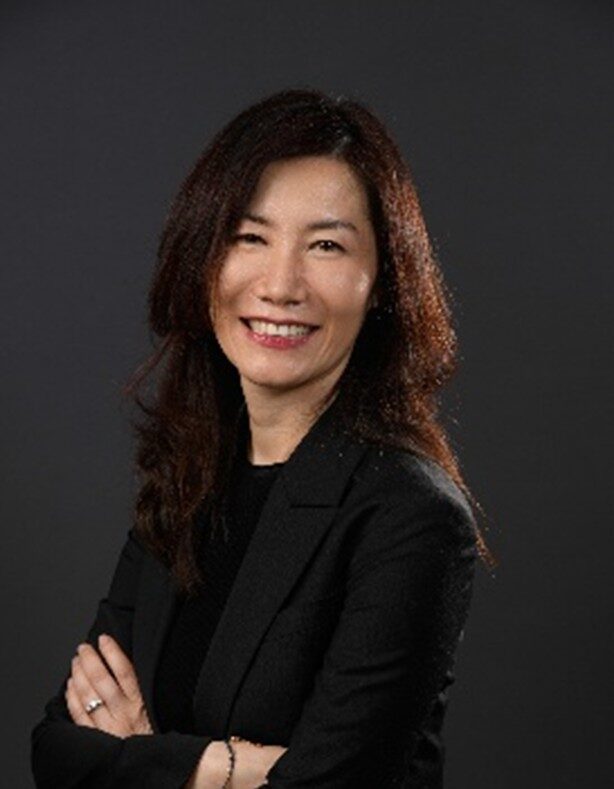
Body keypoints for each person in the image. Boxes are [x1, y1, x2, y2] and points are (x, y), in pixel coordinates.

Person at [30, 87, 496, 788]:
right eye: (250, 237)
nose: (281, 284)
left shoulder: (411, 517)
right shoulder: (188, 479)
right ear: (203, 258)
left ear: (381, 285)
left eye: (327, 245)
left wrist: (138, 757)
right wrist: (225, 767)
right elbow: (57, 750)